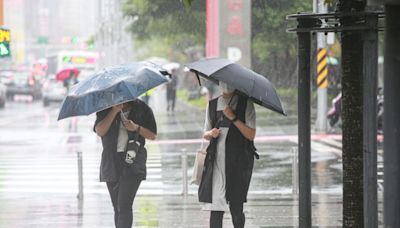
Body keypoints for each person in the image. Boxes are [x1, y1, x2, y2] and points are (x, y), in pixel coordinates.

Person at [200, 82, 257, 228]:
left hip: (238, 162)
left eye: (229, 82)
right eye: (223, 82)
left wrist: (233, 118)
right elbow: (205, 133)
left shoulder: (246, 104)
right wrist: (211, 133)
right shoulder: (212, 105)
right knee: (216, 209)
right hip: (216, 161)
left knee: (236, 207)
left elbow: (250, 134)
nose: (226, 85)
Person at [93, 99, 157, 228]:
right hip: (111, 161)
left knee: (124, 205)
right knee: (117, 206)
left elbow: (152, 135)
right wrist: (114, 111)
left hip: (133, 161)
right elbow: (100, 131)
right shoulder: (105, 108)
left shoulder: (142, 108)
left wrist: (136, 127)